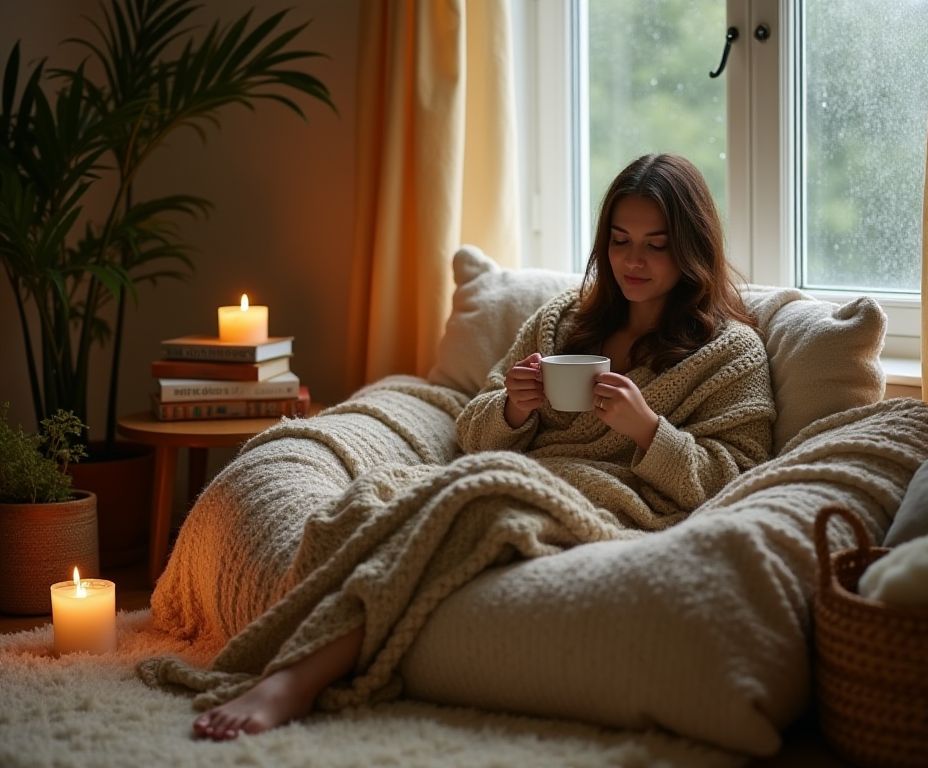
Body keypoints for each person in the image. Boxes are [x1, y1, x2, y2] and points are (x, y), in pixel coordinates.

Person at [192, 152, 775, 741]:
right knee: (379, 495)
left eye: (656, 244)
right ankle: (301, 658)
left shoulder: (732, 352)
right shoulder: (560, 322)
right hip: (512, 474)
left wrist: (648, 430)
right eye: (620, 240)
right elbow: (470, 431)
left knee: (480, 505)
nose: (633, 260)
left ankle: (296, 678)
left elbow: (737, 476)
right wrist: (513, 407)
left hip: (619, 503)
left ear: (693, 248)